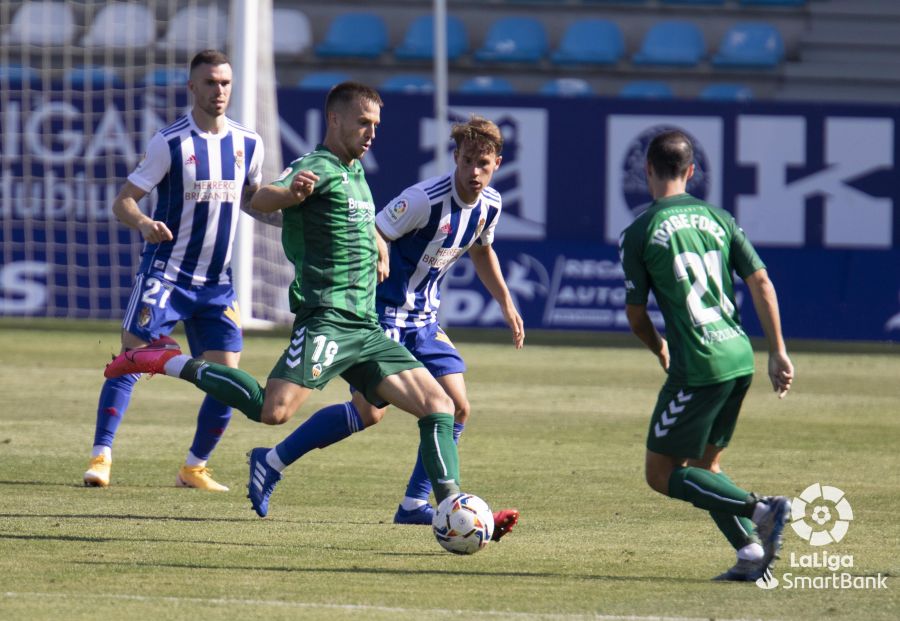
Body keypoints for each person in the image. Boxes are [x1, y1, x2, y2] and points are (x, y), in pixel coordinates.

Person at [103, 82, 516, 541]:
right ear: (335, 120)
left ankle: (455, 510)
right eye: (363, 123)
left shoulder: (355, 171)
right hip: (328, 319)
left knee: (439, 407)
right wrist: (290, 195)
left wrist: (377, 251)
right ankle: (161, 359)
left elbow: (368, 227)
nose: (371, 133)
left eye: (376, 125)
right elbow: (257, 198)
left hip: (365, 325)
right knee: (272, 410)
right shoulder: (315, 166)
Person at [84, 50, 265, 491]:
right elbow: (123, 201)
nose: (218, 91)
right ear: (192, 87)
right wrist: (144, 223)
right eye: (209, 83)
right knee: (129, 361)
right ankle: (101, 456)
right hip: (166, 276)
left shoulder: (249, 143)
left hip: (217, 285)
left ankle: (193, 468)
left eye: (224, 82)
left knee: (230, 380)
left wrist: (296, 216)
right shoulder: (170, 142)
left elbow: (255, 201)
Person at [618, 129, 795, 581]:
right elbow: (762, 283)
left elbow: (636, 316)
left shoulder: (640, 230)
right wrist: (776, 351)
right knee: (705, 467)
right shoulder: (720, 219)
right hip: (739, 358)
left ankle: (762, 509)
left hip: (697, 366)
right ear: (691, 172)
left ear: (648, 170)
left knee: (660, 474)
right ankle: (752, 556)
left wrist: (658, 345)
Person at [349, 115, 524, 527]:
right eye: (466, 161)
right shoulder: (424, 198)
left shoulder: (491, 205)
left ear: (497, 162)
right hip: (385, 317)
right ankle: (274, 458)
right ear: (455, 158)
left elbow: (482, 250)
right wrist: (378, 256)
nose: (474, 172)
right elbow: (373, 230)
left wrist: (506, 302)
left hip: (425, 322)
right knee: (368, 413)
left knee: (457, 408)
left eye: (483, 163)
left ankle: (416, 504)